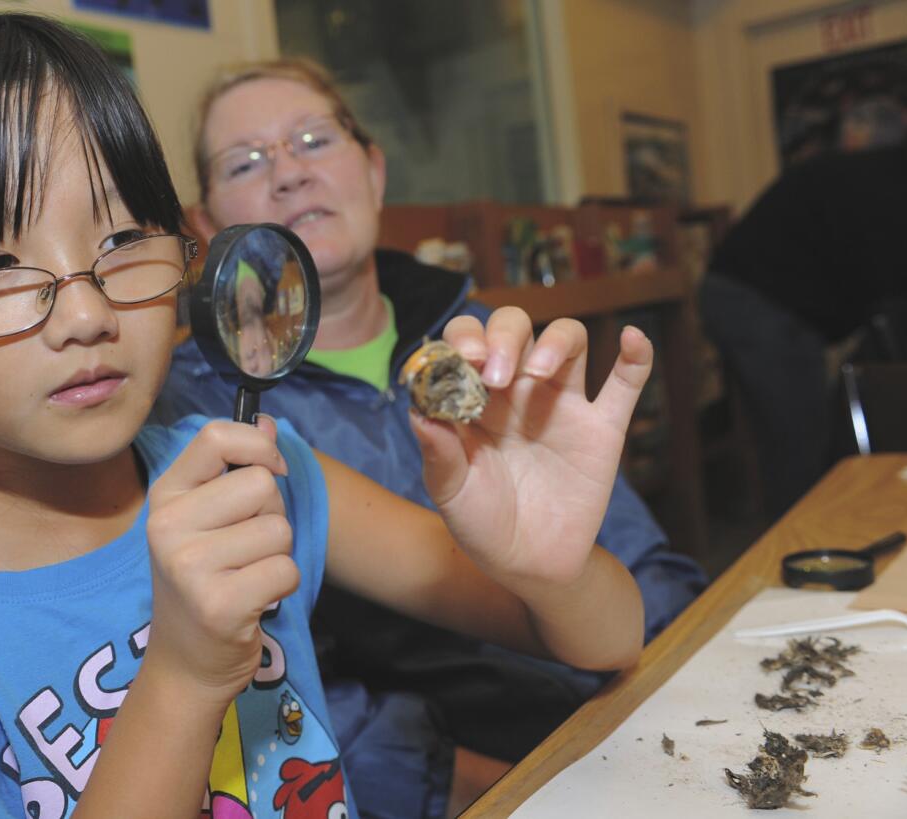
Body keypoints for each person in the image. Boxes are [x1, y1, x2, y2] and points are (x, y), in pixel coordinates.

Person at [0, 14, 651, 818]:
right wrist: (180, 674)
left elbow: (608, 640)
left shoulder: (256, 467)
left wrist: (545, 566)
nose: (89, 313)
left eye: (124, 240)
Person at [153, 58, 708, 809]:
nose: (288, 173)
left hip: (642, 709)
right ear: (209, 226)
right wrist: (465, 779)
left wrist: (694, 678)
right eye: (246, 162)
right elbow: (276, 695)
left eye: (314, 139)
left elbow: (645, 570)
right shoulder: (202, 415)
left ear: (374, 172)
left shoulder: (482, 334)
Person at [701, 138, 907, 516]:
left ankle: (813, 531)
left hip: (756, 293)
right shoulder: (890, 190)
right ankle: (804, 550)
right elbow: (888, 309)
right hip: (754, 297)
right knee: (796, 441)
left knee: (800, 433)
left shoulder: (881, 175)